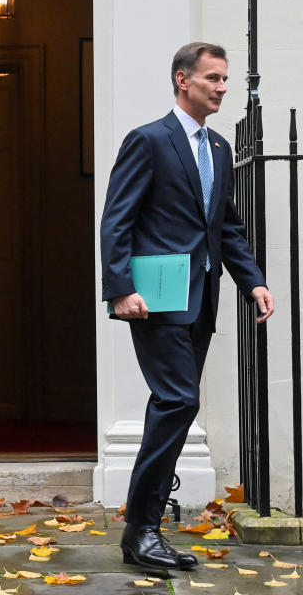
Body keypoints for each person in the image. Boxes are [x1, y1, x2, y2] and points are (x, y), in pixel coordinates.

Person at [100, 42, 274, 571]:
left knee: (175, 404)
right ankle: (142, 527)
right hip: (154, 300)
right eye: (214, 78)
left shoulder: (218, 149)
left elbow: (226, 226)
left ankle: (143, 529)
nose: (223, 88)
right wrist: (119, 289)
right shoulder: (149, 140)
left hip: (202, 300)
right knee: (177, 402)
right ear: (183, 80)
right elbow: (117, 219)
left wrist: (253, 282)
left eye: (224, 80)